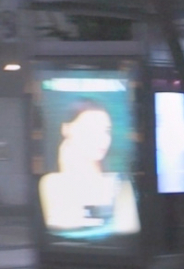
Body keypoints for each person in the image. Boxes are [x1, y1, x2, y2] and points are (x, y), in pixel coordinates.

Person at [38, 99, 139, 237]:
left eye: (106, 131)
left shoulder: (120, 183)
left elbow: (128, 231)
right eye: (90, 129)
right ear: (66, 129)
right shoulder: (51, 182)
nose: (101, 139)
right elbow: (63, 228)